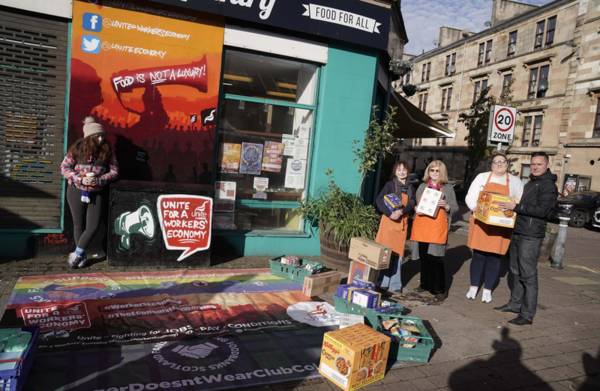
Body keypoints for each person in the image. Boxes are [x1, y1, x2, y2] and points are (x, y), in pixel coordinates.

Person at [495, 151, 558, 325]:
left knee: (528, 275)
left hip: (531, 235)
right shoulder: (531, 183)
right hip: (519, 231)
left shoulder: (548, 186)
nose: (535, 167)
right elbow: (523, 206)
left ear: (547, 165)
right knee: (515, 271)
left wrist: (517, 206)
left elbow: (543, 211)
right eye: (533, 164)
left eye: (539, 164)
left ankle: (527, 314)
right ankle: (515, 305)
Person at [465, 151, 524, 303]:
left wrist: (513, 205)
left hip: (501, 226)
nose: (499, 164)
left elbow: (520, 201)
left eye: (502, 162)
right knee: (478, 256)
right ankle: (473, 286)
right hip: (481, 223)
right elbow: (470, 197)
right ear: (491, 165)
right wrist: (475, 208)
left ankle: (487, 290)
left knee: (494, 258)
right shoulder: (482, 178)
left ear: (507, 164)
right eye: (496, 161)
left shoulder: (516, 182)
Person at [61, 117, 118, 269]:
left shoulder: (107, 150)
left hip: (96, 192)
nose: (100, 138)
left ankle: (77, 254)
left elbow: (114, 171)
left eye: (102, 135)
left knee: (93, 225)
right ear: (89, 138)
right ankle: (83, 258)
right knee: (78, 224)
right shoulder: (77, 149)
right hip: (76, 191)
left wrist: (99, 180)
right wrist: (79, 179)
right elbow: (64, 168)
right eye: (97, 136)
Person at [410, 160, 458, 301]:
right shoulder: (422, 186)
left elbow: (454, 207)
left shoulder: (448, 188)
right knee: (424, 258)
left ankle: (440, 289)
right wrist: (415, 208)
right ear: (428, 172)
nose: (435, 173)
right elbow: (416, 203)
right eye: (432, 170)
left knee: (436, 259)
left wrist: (447, 206)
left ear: (442, 172)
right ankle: (425, 284)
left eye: (437, 170)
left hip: (437, 227)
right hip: (422, 226)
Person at [374, 161, 415, 294]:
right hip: (389, 223)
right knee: (386, 254)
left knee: (398, 255)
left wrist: (402, 211)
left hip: (402, 224)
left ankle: (395, 285)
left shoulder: (410, 187)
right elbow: (379, 200)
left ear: (408, 171)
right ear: (395, 172)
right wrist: (390, 213)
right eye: (399, 170)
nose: (402, 172)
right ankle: (382, 282)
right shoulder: (390, 185)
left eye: (404, 169)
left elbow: (412, 202)